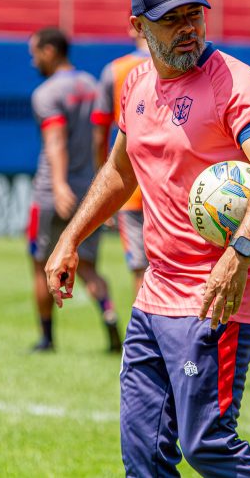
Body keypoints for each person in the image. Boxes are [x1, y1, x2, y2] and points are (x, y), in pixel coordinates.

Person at [44, 0, 250, 476]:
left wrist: (240, 252)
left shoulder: (236, 84)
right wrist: (70, 239)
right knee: (142, 455)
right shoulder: (135, 84)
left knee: (207, 444)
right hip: (154, 298)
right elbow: (120, 172)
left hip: (217, 298)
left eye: (194, 15)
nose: (187, 28)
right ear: (138, 26)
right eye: (170, 19)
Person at [26, 26, 122, 353]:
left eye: (35, 53)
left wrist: (58, 183)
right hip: (90, 192)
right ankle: (110, 319)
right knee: (90, 268)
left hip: (54, 192)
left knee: (41, 264)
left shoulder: (46, 93)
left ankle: (47, 337)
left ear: (50, 51)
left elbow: (55, 142)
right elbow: (101, 138)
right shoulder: (93, 86)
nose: (32, 60)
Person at [93, 19, 151, 295]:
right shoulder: (181, 65)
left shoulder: (114, 71)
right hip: (172, 184)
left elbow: (100, 133)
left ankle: (146, 336)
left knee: (140, 269)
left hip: (130, 186)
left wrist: (102, 185)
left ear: (133, 26)